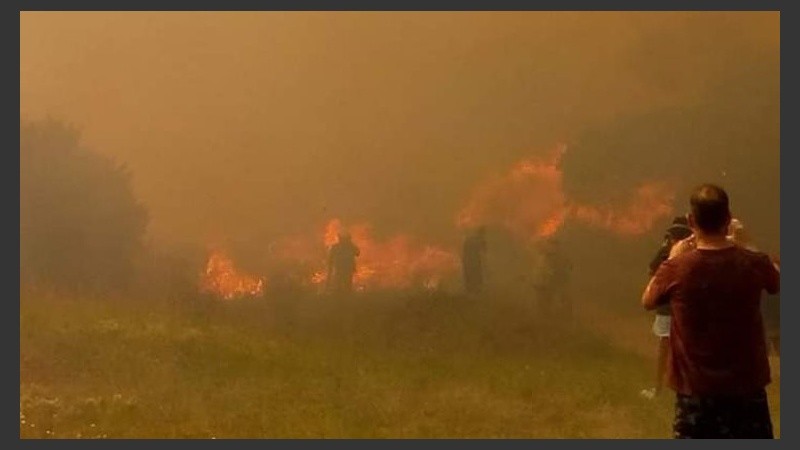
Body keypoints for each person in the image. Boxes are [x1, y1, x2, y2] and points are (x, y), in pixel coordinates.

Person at [642, 184, 780, 439]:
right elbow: (776, 281)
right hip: (747, 390)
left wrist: (672, 257)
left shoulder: (678, 268)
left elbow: (648, 299)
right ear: (728, 220)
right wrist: (748, 244)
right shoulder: (752, 263)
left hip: (695, 393)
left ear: (692, 221)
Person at [640, 215, 693, 400]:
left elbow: (651, 270)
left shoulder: (666, 250)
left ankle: (658, 389)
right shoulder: (694, 251)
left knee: (664, 349)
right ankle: (685, 388)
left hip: (666, 307)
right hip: (687, 309)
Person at [462, 227, 487, 294]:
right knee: (475, 275)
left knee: (470, 275)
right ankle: (474, 291)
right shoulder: (478, 239)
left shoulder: (470, 239)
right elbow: (484, 250)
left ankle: (470, 291)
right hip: (474, 260)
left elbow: (465, 250)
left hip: (468, 260)